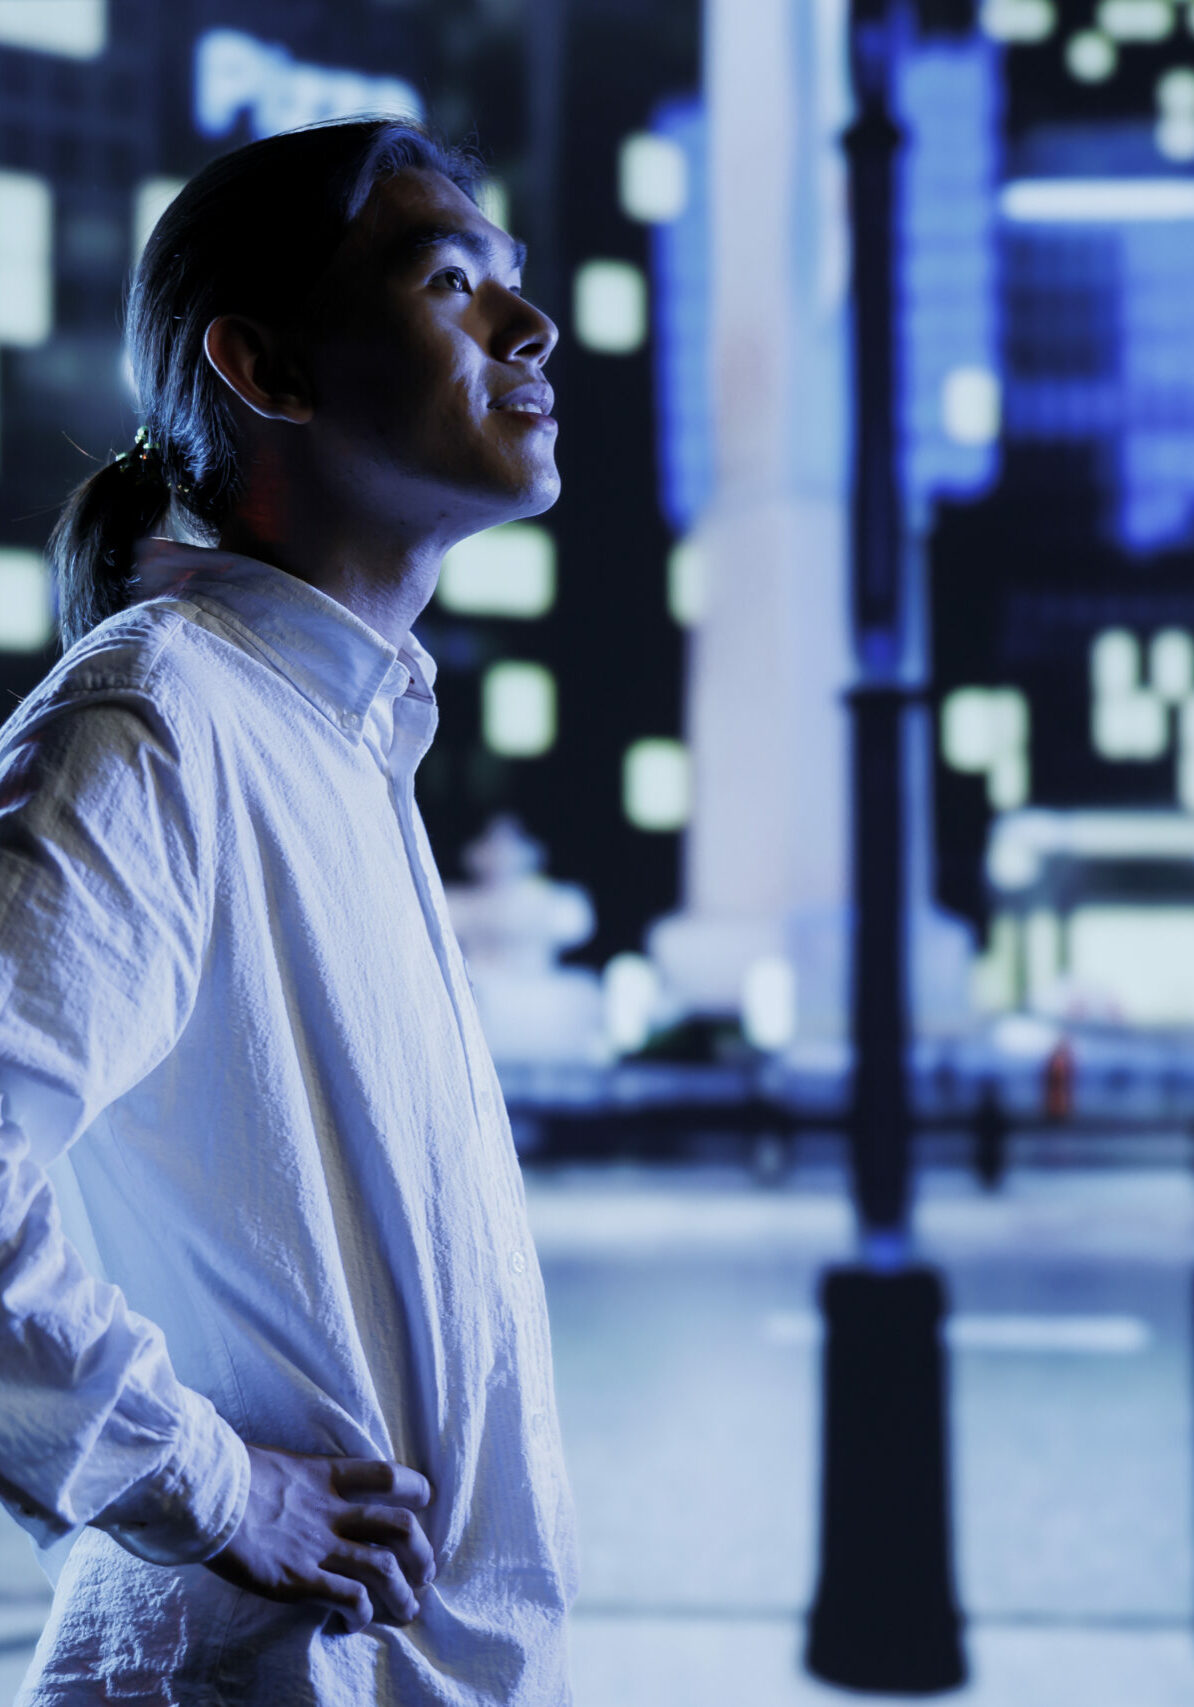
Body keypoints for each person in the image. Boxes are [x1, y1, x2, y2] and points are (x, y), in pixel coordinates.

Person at [0, 117, 577, 1705]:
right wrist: (209, 1485)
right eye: (449, 280)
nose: (529, 329)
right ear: (264, 367)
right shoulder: (158, 721)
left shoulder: (334, 741)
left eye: (513, 282)